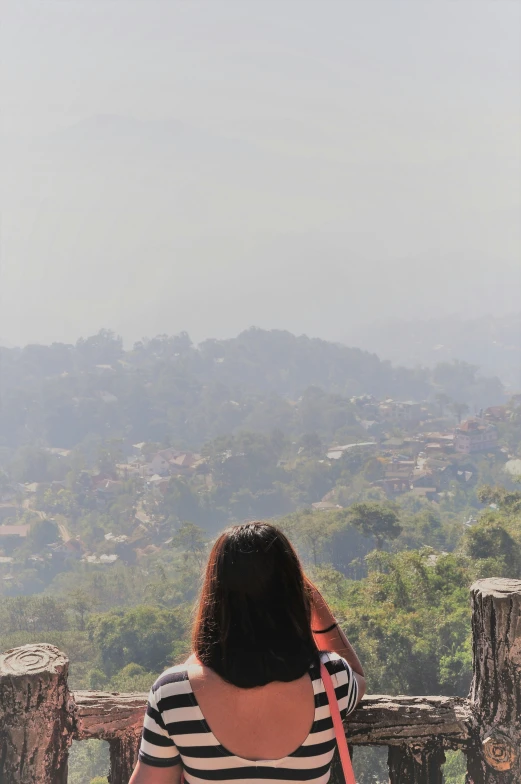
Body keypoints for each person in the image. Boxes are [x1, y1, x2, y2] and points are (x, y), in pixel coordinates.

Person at [129, 522, 365, 784]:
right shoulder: (332, 681)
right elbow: (358, 675)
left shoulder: (173, 695)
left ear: (216, 597)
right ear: (294, 593)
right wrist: (317, 604)